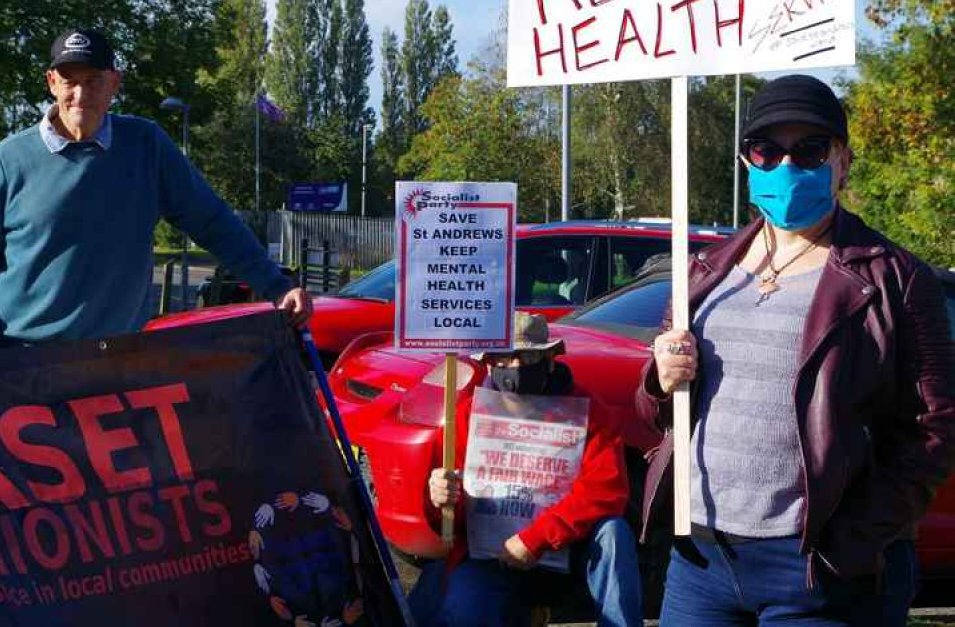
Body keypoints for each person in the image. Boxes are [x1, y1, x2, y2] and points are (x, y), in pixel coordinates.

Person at [635, 74, 955, 626]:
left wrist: (855, 539)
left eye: (808, 150)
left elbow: (935, 426)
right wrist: (658, 380)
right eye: (768, 149)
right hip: (701, 561)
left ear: (843, 161)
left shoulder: (895, 279)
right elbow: (659, 415)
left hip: (818, 572)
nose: (786, 166)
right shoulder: (704, 272)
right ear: (746, 161)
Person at [0, 28, 311, 354]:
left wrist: (276, 286)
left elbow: (214, 222)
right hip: (26, 365)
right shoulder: (9, 159)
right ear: (52, 82)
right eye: (69, 81)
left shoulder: (146, 145)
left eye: (94, 81)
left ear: (114, 83)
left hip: (118, 365)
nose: (80, 94)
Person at [408, 312, 643, 627]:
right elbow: (450, 520)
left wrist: (536, 539)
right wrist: (440, 499)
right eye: (505, 359)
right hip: (491, 553)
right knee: (459, 613)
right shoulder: (465, 417)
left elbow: (606, 491)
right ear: (489, 363)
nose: (515, 367)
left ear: (549, 360)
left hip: (568, 548)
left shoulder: (590, 412)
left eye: (528, 356)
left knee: (614, 534)